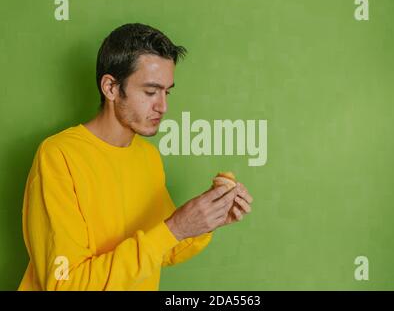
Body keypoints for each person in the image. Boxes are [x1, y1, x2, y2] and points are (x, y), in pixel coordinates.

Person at [18, 23, 253, 291]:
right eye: (151, 92)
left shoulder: (148, 156)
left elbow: (163, 250)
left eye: (167, 92)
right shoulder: (59, 155)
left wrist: (208, 219)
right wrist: (175, 228)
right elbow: (67, 284)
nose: (163, 106)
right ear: (111, 88)